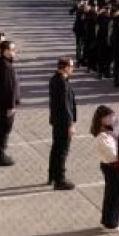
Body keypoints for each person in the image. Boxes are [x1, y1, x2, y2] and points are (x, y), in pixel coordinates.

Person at [90, 106, 119, 232]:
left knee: (111, 194)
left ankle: (107, 220)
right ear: (101, 119)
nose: (113, 118)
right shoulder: (103, 137)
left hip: (111, 166)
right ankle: (111, 224)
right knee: (115, 195)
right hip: (111, 167)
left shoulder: (107, 128)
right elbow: (114, 156)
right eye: (109, 117)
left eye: (112, 115)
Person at [47, 57, 77, 190]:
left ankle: (52, 175)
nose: (73, 69)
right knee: (62, 151)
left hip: (57, 121)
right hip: (63, 122)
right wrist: (70, 124)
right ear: (65, 67)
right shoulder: (62, 83)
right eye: (71, 66)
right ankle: (60, 179)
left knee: (56, 148)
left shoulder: (55, 79)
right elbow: (66, 106)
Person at [0, 40, 20, 166]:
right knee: (3, 130)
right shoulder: (6, 67)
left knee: (1, 130)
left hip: (2, 104)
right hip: (6, 105)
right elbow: (9, 88)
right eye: (13, 50)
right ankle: (0, 156)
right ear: (6, 51)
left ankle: (0, 154)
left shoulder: (4, 63)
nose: (15, 52)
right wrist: (11, 106)